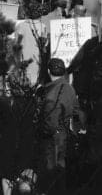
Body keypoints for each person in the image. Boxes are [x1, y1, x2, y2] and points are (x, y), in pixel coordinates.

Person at [36, 58, 84, 195]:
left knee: (50, 174)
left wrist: (43, 133)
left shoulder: (51, 93)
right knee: (60, 172)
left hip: (52, 137)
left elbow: (51, 123)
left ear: (49, 71)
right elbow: (77, 111)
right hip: (63, 134)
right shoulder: (69, 88)